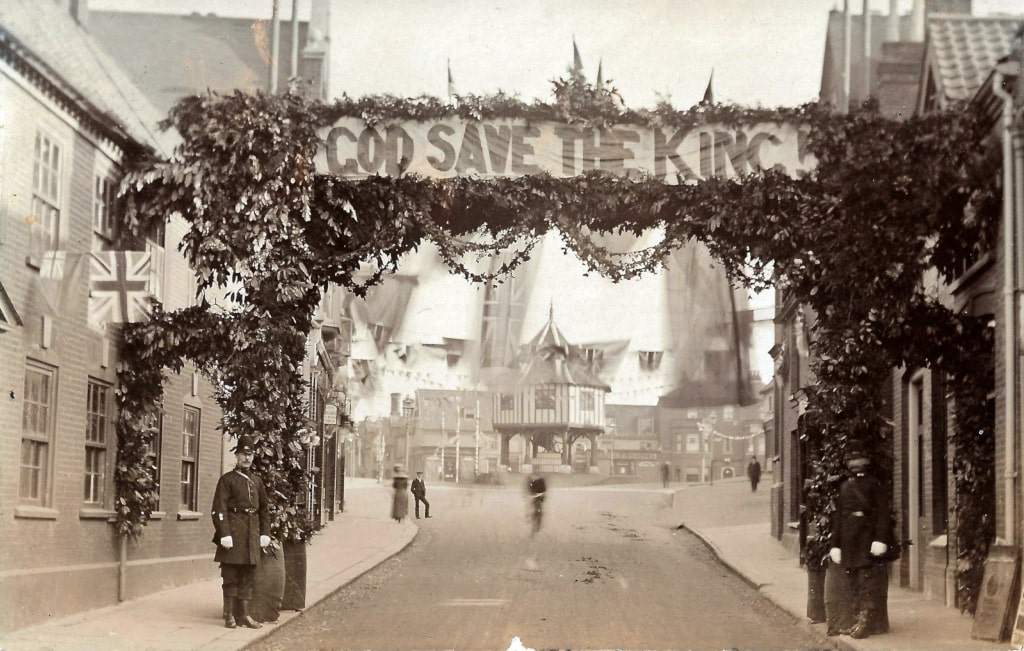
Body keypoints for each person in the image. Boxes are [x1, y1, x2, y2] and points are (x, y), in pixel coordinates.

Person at [828, 446, 893, 639]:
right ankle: (858, 621)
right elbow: (839, 517)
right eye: (852, 461)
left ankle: (865, 624)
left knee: (867, 583)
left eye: (858, 460)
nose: (855, 464)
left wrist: (880, 539)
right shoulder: (845, 486)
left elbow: (883, 514)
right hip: (849, 540)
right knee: (854, 583)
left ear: (865, 462)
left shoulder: (874, 484)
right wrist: (835, 544)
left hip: (866, 538)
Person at [211, 435, 270, 629]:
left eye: (250, 455)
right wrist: (224, 533)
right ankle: (229, 615)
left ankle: (243, 615)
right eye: (244, 454)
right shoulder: (227, 480)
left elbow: (264, 509)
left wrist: (265, 533)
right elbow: (218, 509)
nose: (247, 458)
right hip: (233, 535)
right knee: (230, 576)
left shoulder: (257, 481)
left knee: (248, 575)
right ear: (236, 455)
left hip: (251, 535)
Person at [526, 470, 547, 536]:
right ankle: (537, 523)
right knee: (537, 511)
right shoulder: (537, 480)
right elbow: (543, 489)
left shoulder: (538, 480)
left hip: (537, 497)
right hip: (537, 497)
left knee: (537, 510)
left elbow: (543, 489)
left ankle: (537, 522)